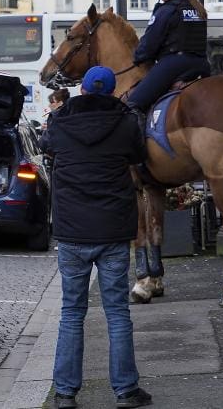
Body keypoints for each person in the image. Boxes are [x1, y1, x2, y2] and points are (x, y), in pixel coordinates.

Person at [42, 66, 151, 409]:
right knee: (117, 312)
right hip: (112, 231)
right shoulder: (126, 123)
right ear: (110, 92)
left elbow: (46, 146)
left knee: (71, 312)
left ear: (83, 91)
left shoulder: (60, 123)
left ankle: (64, 393)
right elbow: (139, 156)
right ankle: (126, 391)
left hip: (73, 232)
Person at [127, 0, 211, 113]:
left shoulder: (166, 10)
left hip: (174, 65)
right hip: (201, 64)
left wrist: (138, 57)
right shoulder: (197, 9)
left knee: (133, 104)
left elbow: (149, 44)